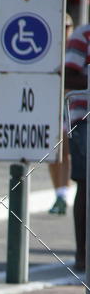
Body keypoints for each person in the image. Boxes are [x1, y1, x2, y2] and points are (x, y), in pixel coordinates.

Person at [64, 20, 90, 272]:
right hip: (84, 120)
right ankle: (82, 253)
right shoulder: (84, 34)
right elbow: (68, 74)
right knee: (85, 182)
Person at [48, 14, 74, 215]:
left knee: (64, 150)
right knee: (52, 153)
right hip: (50, 106)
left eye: (68, 26)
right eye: (61, 26)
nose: (64, 30)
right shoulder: (50, 49)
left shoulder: (75, 51)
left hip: (69, 108)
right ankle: (58, 192)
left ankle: (63, 193)